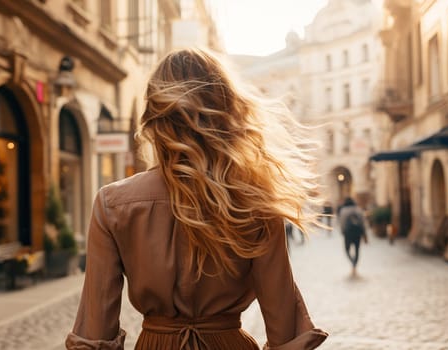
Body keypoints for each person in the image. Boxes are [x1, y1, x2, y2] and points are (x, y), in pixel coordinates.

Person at [65, 48, 327, 350]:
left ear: (153, 119)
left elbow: (94, 334)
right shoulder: (256, 202)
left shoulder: (112, 204)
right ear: (227, 113)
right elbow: (286, 329)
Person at [338, 197, 368, 276]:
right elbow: (363, 222)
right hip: (358, 233)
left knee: (347, 250)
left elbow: (341, 222)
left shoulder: (343, 210)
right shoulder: (358, 209)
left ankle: (352, 262)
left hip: (348, 233)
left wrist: (343, 231)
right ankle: (354, 265)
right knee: (357, 250)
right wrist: (364, 234)